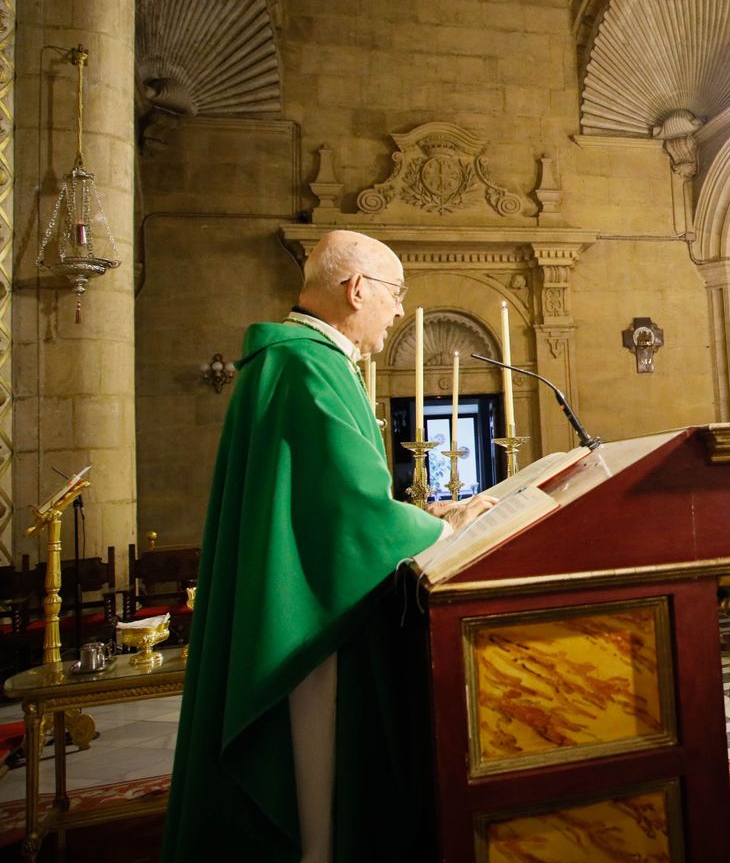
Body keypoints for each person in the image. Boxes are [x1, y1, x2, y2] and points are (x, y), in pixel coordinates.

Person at [164, 230, 496, 863]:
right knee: (314, 792)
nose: (400, 310)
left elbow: (330, 499)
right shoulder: (308, 364)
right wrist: (445, 529)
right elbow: (348, 514)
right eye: (396, 293)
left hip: (300, 597)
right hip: (306, 628)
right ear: (357, 289)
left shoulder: (296, 361)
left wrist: (423, 514)